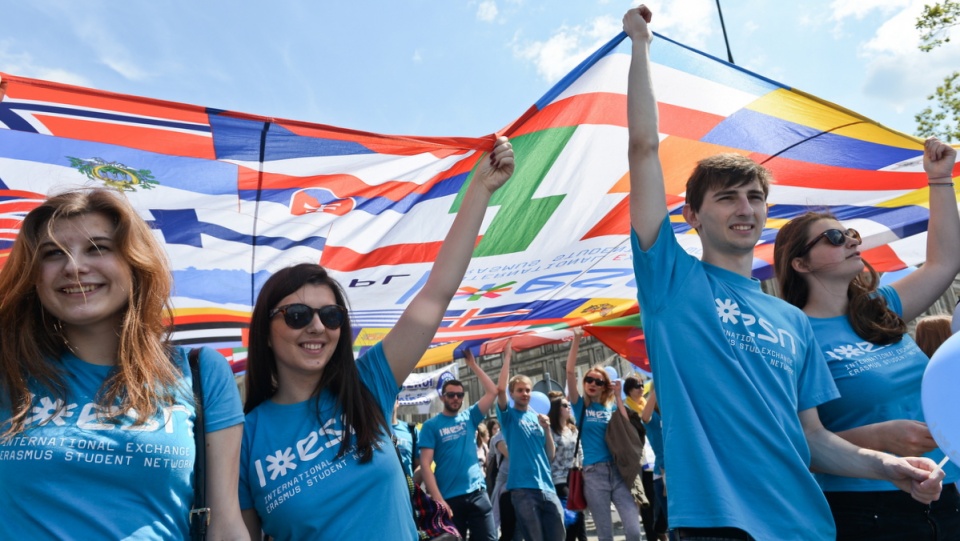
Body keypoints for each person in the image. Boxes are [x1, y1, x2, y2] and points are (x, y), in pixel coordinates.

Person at [624, 6, 944, 540]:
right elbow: (643, 149)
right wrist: (641, 45)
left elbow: (812, 438)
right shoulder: (671, 282)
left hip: (809, 524)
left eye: (754, 197)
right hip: (717, 522)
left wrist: (888, 467)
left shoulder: (791, 322)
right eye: (726, 198)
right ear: (693, 217)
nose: (744, 208)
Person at [238, 137, 515, 540]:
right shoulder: (243, 436)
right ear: (265, 331)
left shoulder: (368, 384)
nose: (317, 327)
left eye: (330, 316)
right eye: (297, 316)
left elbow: (436, 292)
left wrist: (480, 189)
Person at [0, 188, 248, 539]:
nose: (74, 267)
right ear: (34, 275)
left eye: (98, 248)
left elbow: (225, 524)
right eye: (53, 253)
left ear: (134, 263)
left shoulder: (200, 371)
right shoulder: (7, 370)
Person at [772, 137, 960, 540]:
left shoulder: (880, 306)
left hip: (947, 489)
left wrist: (939, 180)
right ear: (800, 263)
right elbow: (790, 443)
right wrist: (873, 440)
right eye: (835, 238)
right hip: (867, 508)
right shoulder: (788, 333)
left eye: (850, 233)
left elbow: (944, 261)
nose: (852, 241)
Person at [564, 329, 642, 541]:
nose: (592, 384)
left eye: (598, 382)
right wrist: (577, 338)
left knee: (634, 531)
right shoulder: (580, 407)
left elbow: (626, 428)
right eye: (589, 379)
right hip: (593, 474)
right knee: (605, 534)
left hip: (618, 471)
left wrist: (618, 396)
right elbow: (570, 372)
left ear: (604, 386)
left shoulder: (611, 409)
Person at [419, 350, 499, 540]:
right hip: (450, 498)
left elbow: (493, 392)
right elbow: (425, 465)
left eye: (459, 395)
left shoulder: (470, 416)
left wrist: (473, 365)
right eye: (451, 395)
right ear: (442, 397)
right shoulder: (431, 426)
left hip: (477, 493)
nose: (456, 398)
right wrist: (439, 500)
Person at [496, 340, 564, 541]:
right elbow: (499, 390)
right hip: (523, 489)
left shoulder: (537, 418)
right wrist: (507, 357)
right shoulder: (508, 417)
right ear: (512, 393)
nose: (525, 394)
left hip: (547, 487)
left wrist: (548, 430)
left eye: (527, 390)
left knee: (558, 534)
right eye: (520, 390)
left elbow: (550, 455)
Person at [548, 394, 587, 541]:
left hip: (574, 477)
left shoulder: (573, 429)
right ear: (557, 409)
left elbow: (580, 452)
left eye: (568, 405)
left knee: (579, 514)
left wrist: (583, 468)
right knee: (573, 512)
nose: (568, 407)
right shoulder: (551, 431)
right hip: (557, 478)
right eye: (565, 405)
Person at [640, 387, 668, 541]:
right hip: (662, 475)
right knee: (673, 521)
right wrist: (656, 389)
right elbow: (645, 416)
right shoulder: (654, 418)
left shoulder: (673, 414)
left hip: (681, 472)